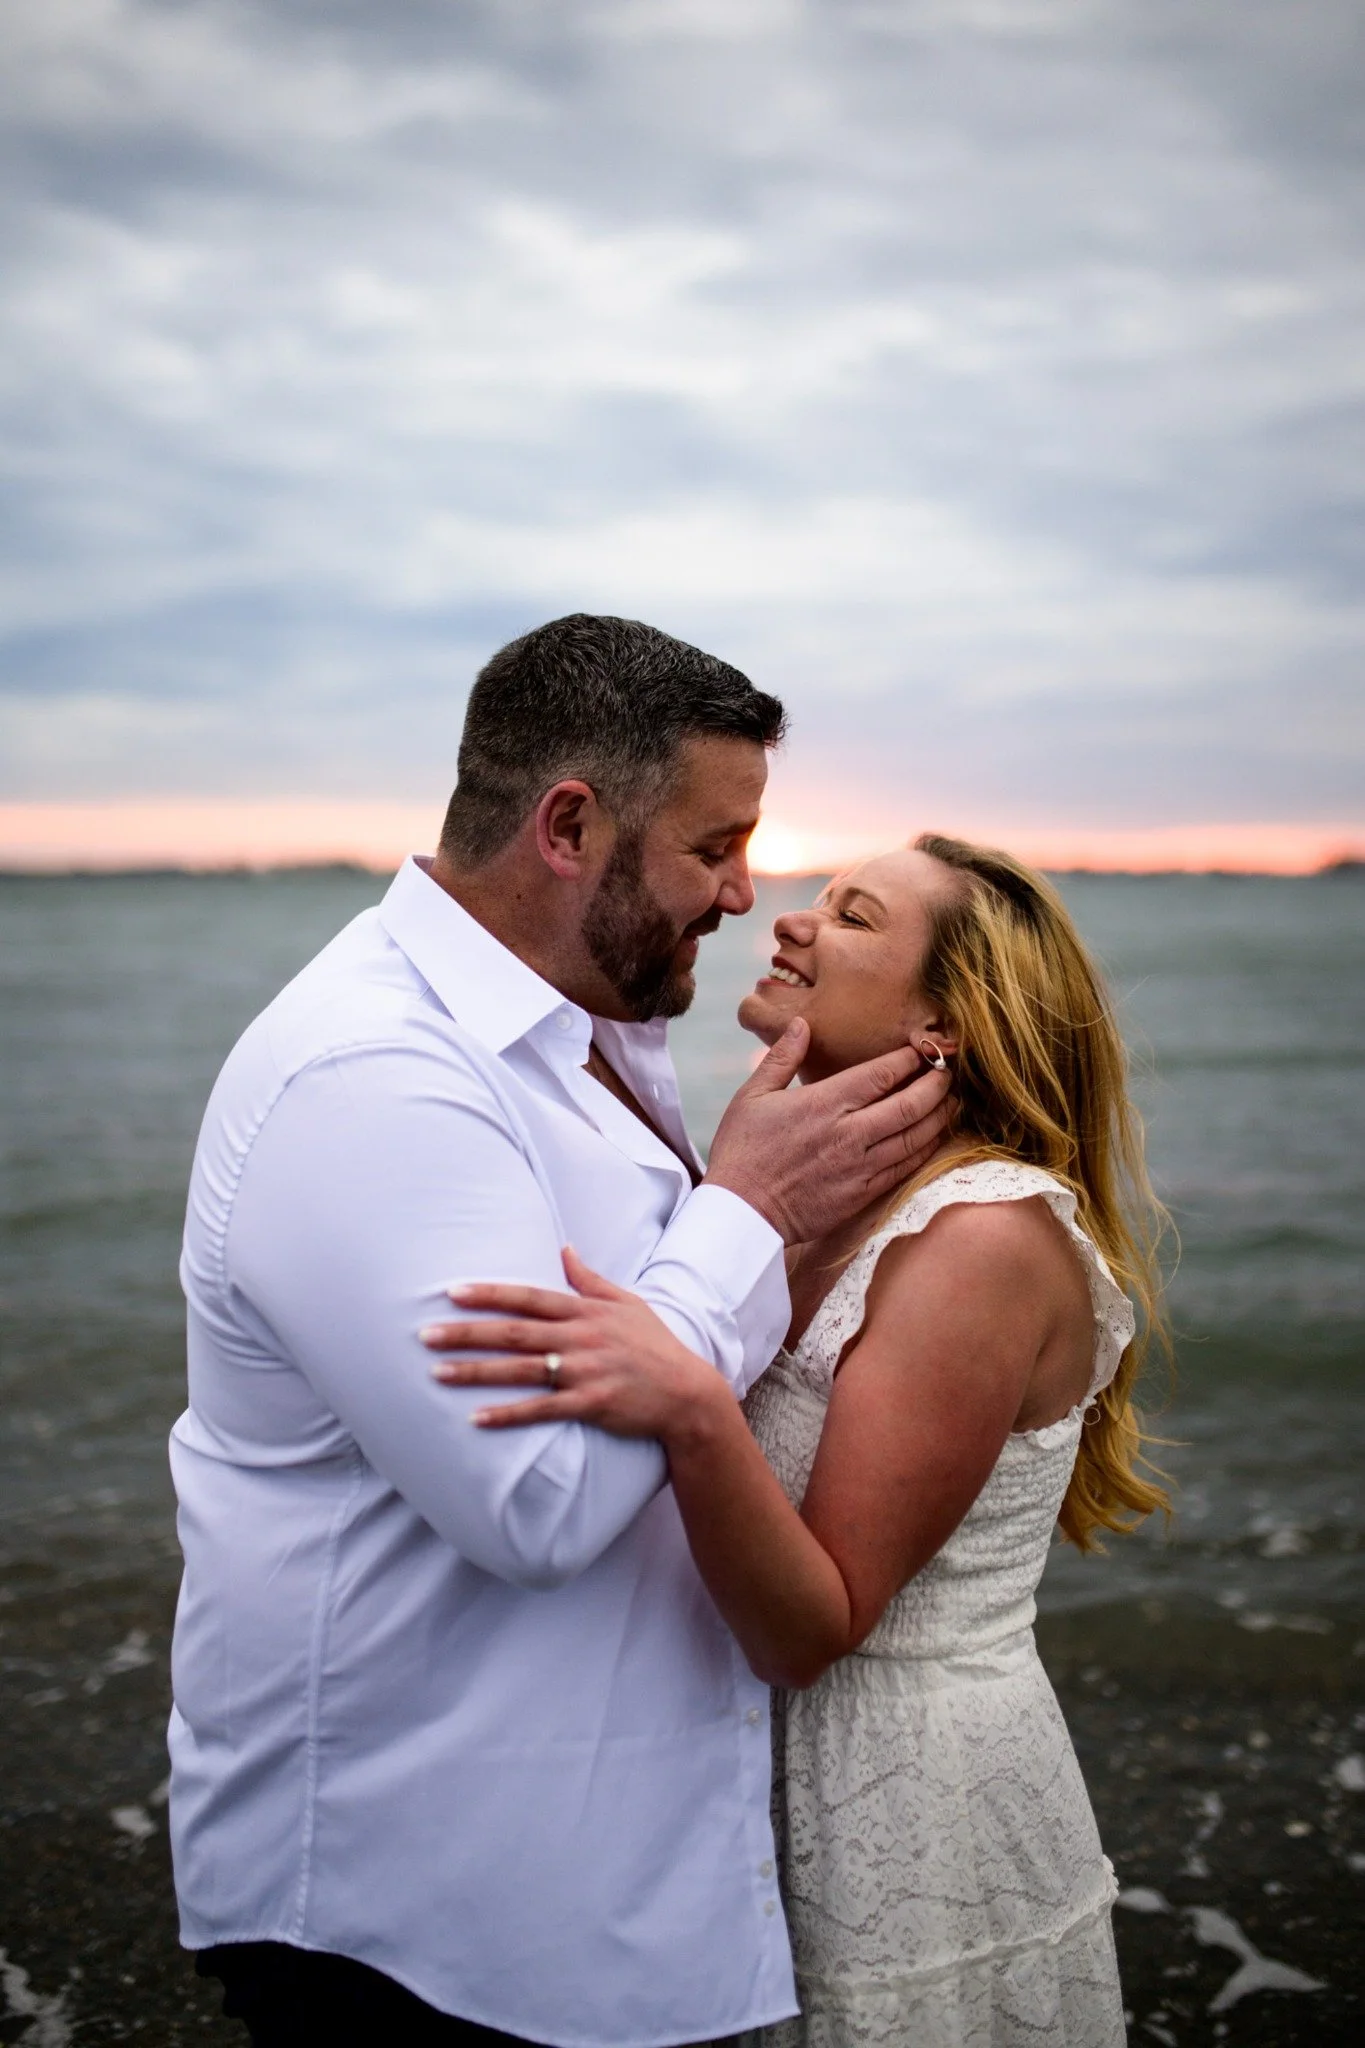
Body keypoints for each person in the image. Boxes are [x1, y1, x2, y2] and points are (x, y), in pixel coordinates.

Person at [171, 615, 953, 2047]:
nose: (740, 894)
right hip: (422, 1927)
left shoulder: (586, 1034)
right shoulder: (371, 1076)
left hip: (603, 1909)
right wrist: (749, 1209)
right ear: (571, 826)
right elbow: (537, 1502)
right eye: (713, 848)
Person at [424, 834, 1171, 2048]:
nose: (790, 921)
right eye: (818, 898)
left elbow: (812, 1624)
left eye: (853, 915)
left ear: (946, 1022)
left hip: (903, 1805)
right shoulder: (816, 1196)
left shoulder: (977, 1240)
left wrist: (686, 1401)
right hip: (741, 1780)